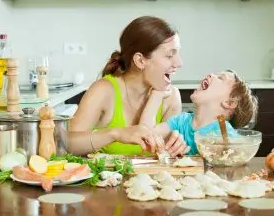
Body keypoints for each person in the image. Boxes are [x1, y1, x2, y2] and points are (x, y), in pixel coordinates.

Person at [67, 16, 189, 156]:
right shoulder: (104, 91)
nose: (179, 63)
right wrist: (115, 134)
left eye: (177, 53)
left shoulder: (170, 97)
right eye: (169, 55)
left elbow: (165, 156)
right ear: (140, 60)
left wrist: (177, 145)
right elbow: (67, 143)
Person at [140, 70, 258, 155]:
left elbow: (240, 153)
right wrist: (157, 95)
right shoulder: (180, 121)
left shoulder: (223, 131)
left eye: (221, 78)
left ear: (229, 103)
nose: (211, 74)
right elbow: (144, 134)